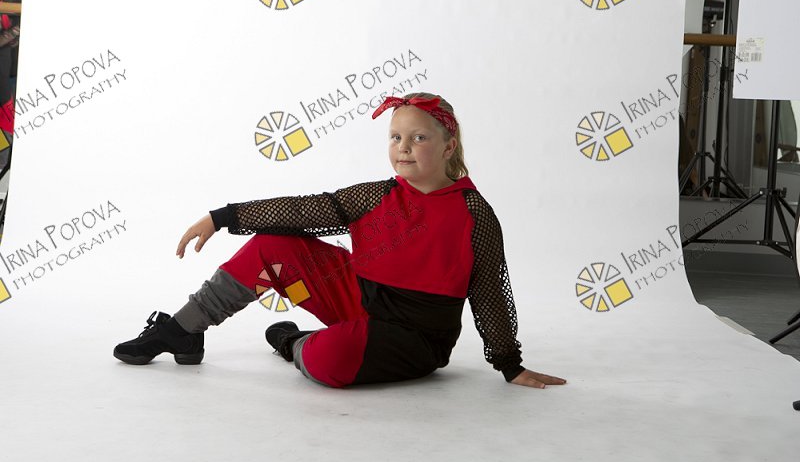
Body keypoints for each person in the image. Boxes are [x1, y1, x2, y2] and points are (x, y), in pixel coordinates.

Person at [113, 92, 567, 389]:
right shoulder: (377, 195)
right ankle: (183, 331)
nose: (403, 147)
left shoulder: (474, 213)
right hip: (356, 298)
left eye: (418, 137)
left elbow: (489, 291)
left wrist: (510, 364)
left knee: (331, 362)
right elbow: (303, 210)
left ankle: (295, 344)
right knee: (273, 245)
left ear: (449, 147)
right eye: (395, 137)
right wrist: (222, 217)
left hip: (414, 337)